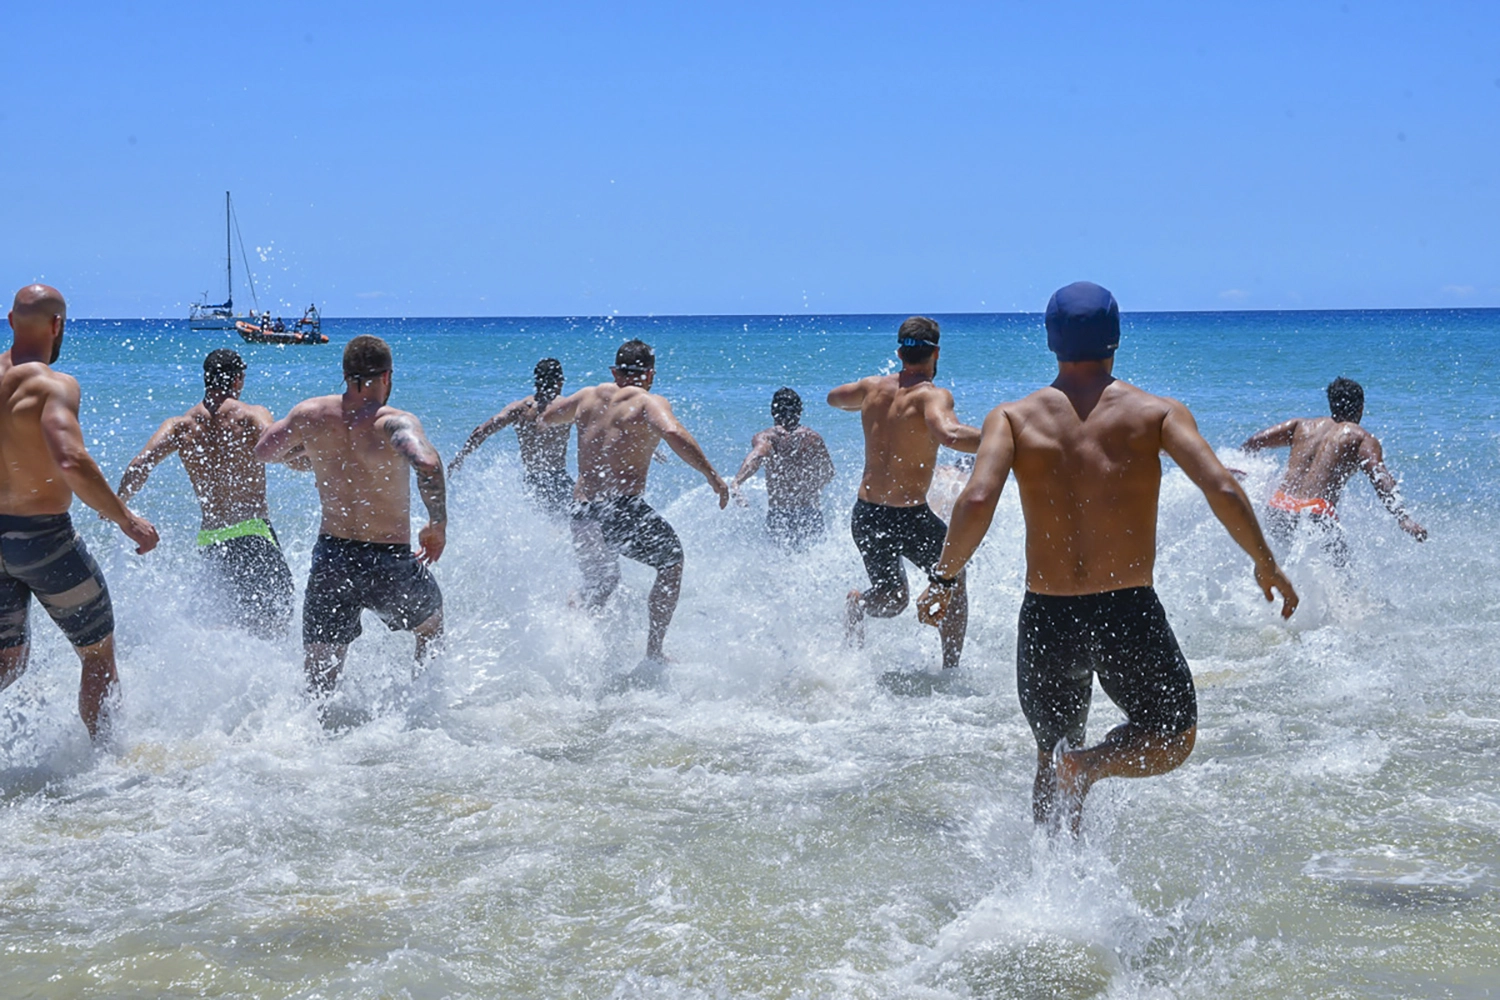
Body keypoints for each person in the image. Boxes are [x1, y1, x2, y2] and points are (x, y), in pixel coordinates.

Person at [917, 282, 1298, 835]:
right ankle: (1091, 766)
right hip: (1126, 610)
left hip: (1048, 613)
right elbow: (1220, 486)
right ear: (1116, 338)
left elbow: (976, 500)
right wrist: (1264, 560)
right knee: (1170, 735)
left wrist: (943, 577)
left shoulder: (1012, 418)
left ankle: (1051, 888)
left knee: (1050, 750)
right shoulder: (1157, 413)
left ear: (1051, 341)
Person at [0, 284, 159, 739]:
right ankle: (105, 766)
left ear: (11, 322)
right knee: (96, 654)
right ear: (57, 326)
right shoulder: (55, 385)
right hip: (44, 542)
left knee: (8, 663)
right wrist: (127, 519)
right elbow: (71, 460)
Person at [254, 335, 446, 696]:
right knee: (431, 625)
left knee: (319, 677)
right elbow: (428, 463)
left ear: (345, 375)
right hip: (388, 560)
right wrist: (437, 525)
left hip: (332, 558)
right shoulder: (393, 422)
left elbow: (264, 450)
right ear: (387, 377)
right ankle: (425, 707)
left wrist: (308, 458)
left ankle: (313, 739)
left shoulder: (309, 414)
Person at [542, 339, 729, 661]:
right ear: (651, 375)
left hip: (582, 511)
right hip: (620, 509)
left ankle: (568, 643)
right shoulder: (647, 401)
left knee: (601, 583)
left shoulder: (587, 396)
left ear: (615, 371)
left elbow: (548, 417)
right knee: (671, 563)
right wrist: (712, 476)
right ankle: (654, 651)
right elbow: (673, 432)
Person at [827, 317, 980, 671]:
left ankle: (858, 606)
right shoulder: (932, 394)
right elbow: (951, 434)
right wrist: (1004, 441)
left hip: (866, 515)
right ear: (936, 353)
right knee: (954, 577)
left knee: (892, 600)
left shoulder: (871, 388)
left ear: (899, 352)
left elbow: (834, 398)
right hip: (909, 516)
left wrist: (869, 400)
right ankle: (951, 669)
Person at [117, 349, 301, 638]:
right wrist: (322, 465)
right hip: (253, 533)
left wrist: (118, 507)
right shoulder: (253, 415)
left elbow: (140, 464)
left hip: (211, 539)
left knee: (222, 623)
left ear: (206, 379)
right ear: (238, 380)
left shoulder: (180, 425)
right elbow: (284, 453)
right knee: (276, 618)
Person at [1242, 377, 1426, 564]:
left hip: (1278, 509)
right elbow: (1380, 477)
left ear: (1331, 404)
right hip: (1314, 514)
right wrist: (1403, 517)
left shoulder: (1301, 426)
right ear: (1361, 408)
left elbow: (1253, 443)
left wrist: (1240, 469)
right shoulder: (1361, 438)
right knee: (1345, 578)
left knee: (1286, 567)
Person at [448, 357, 574, 514]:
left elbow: (481, 431)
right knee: (568, 528)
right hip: (558, 479)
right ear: (560, 381)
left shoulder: (519, 408)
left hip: (531, 482)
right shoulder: (566, 406)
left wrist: (461, 457)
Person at [730, 387, 836, 548]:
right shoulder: (813, 438)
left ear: (773, 411)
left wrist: (737, 482)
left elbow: (757, 456)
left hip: (780, 515)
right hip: (811, 514)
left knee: (778, 565)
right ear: (799, 411)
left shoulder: (767, 437)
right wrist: (812, 487)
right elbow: (828, 472)